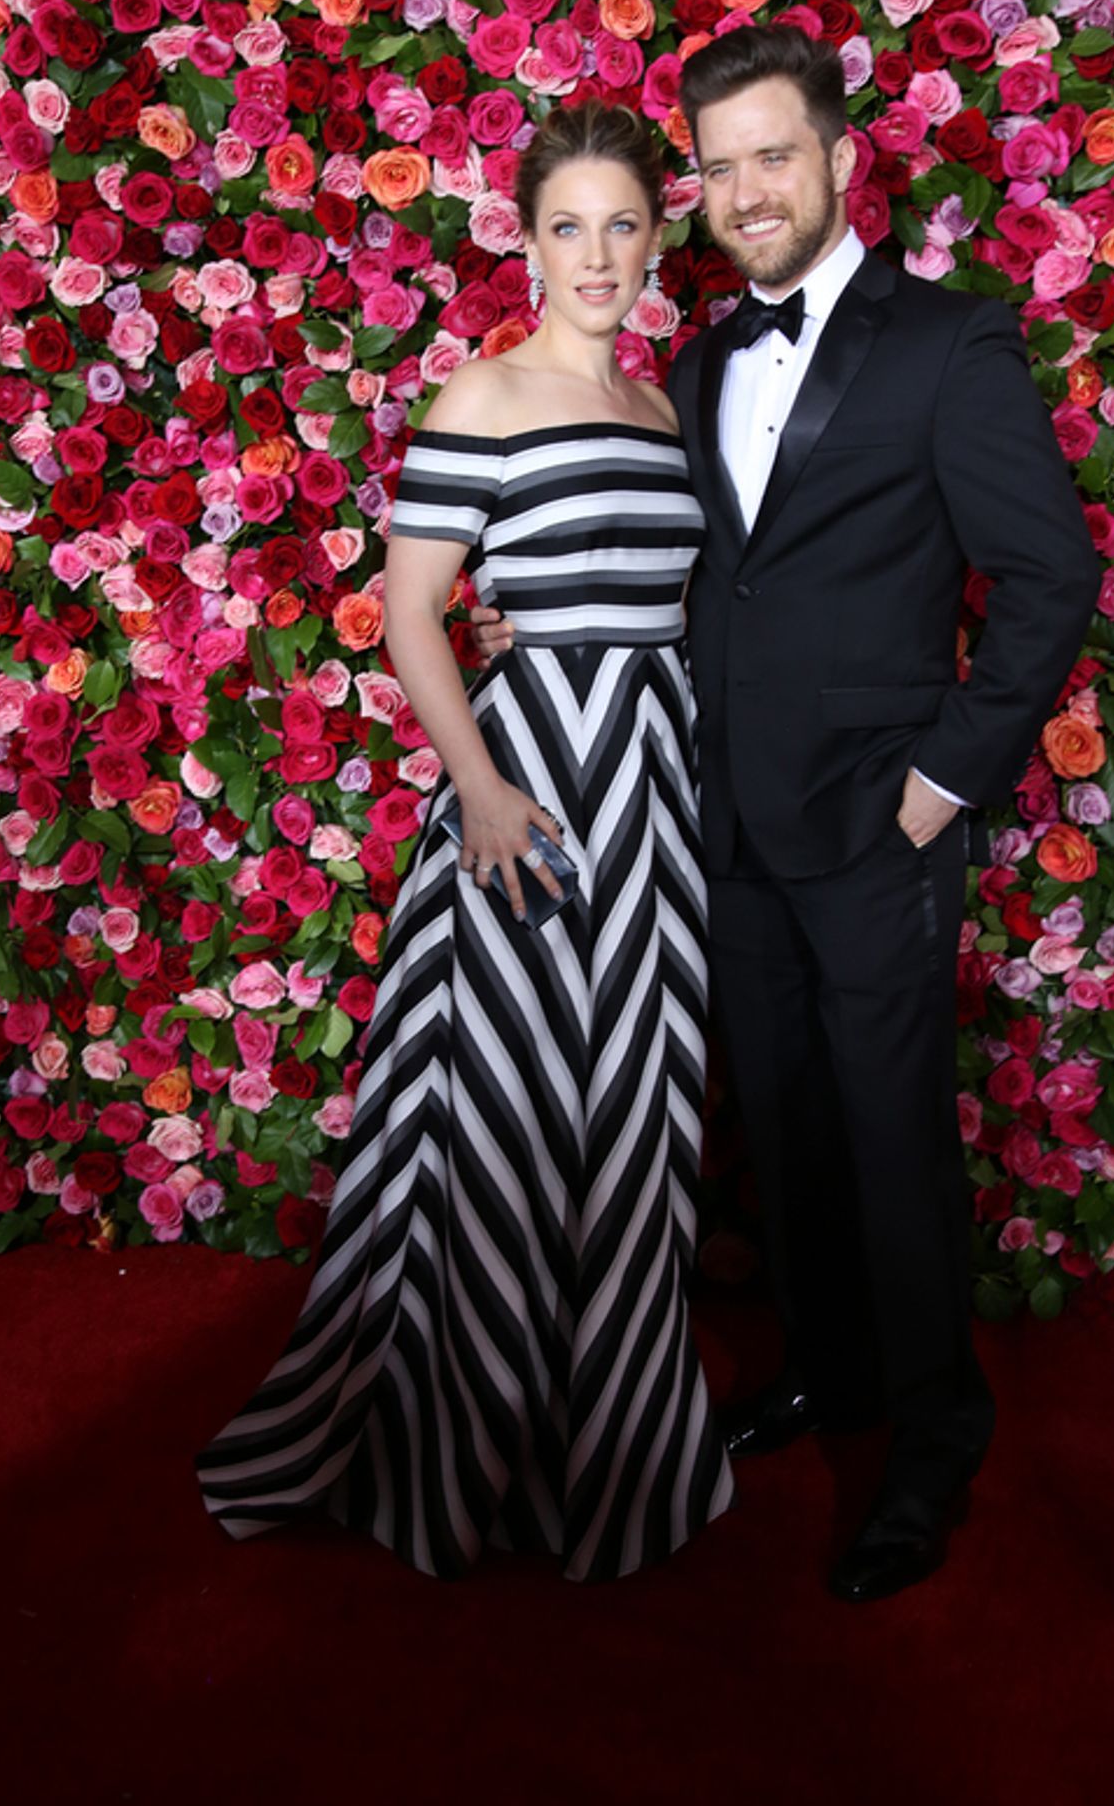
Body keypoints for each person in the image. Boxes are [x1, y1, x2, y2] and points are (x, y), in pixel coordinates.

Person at [474, 25, 1099, 1601]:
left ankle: (932, 1440)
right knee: (789, 1132)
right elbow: (691, 577)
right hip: (723, 828)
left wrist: (944, 781)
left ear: (838, 159)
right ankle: (827, 1374)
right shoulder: (689, 364)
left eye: (774, 155)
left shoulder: (948, 345)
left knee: (894, 1142)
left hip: (879, 830)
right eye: (720, 163)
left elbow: (1050, 581)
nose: (746, 190)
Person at [197, 101, 734, 1582]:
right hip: (530, 787)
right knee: (500, 1111)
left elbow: (671, 599)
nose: (600, 254)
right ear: (528, 237)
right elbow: (416, 612)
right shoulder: (480, 399)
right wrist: (483, 789)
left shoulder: (665, 410)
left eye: (624, 223)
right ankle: (457, 1438)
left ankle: (613, 1439)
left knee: (633, 1110)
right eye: (570, 225)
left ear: (655, 234)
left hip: (656, 792)